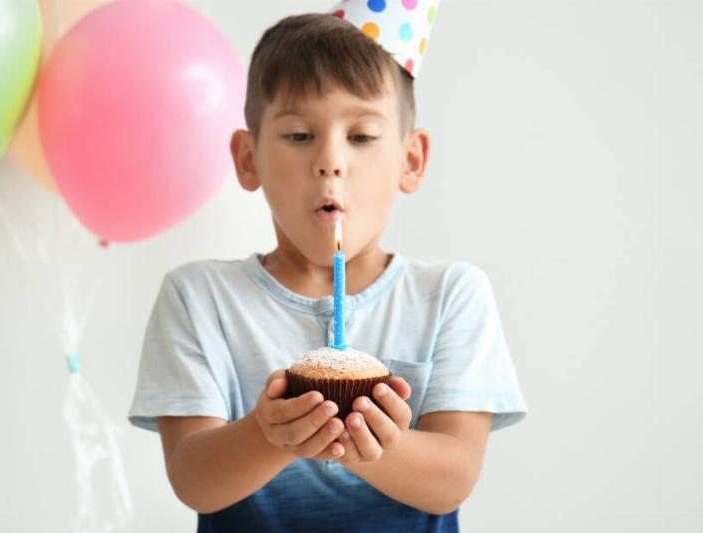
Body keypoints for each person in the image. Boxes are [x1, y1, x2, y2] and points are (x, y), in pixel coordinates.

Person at [129, 3, 528, 531]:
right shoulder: (198, 297)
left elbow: (452, 481)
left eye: (361, 136)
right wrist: (266, 434)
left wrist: (377, 445)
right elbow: (194, 482)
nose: (330, 160)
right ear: (248, 159)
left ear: (411, 160)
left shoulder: (451, 295)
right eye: (299, 135)